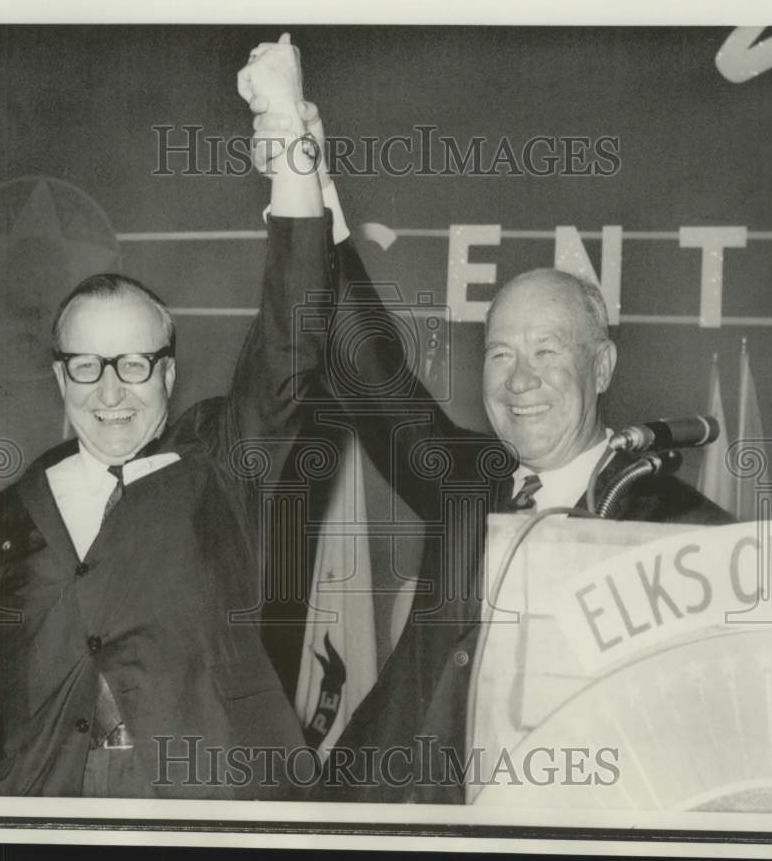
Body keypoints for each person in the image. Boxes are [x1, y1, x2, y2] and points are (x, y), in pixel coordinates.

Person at [250, 101, 735, 803]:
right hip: (382, 816)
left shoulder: (680, 529)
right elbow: (366, 365)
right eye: (501, 353)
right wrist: (306, 175)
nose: (520, 380)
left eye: (546, 351)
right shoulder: (467, 480)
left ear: (602, 366)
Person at [0, 35, 333, 798]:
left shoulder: (220, 464)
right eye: (87, 365)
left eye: (134, 364)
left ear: (169, 371)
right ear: (60, 376)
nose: (111, 391)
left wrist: (291, 148)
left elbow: (292, 341)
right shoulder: (5, 521)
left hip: (207, 806)